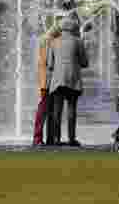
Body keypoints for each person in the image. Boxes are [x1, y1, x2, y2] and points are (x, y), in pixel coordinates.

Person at [47, 17, 88, 147]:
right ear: (74, 28)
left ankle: (56, 139)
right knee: (72, 109)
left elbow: (50, 64)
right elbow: (84, 62)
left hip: (58, 80)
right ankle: (71, 139)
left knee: (57, 111)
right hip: (73, 79)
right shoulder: (78, 42)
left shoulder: (54, 42)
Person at [33, 27, 61, 146]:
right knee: (44, 110)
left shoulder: (44, 43)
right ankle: (38, 138)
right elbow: (48, 64)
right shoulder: (48, 44)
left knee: (48, 110)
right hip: (47, 82)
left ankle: (48, 138)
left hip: (46, 81)